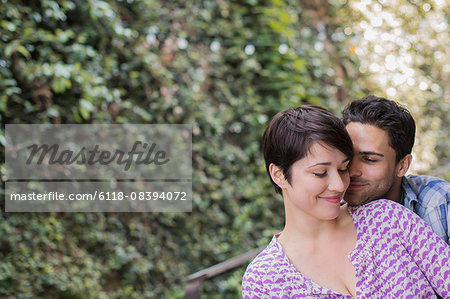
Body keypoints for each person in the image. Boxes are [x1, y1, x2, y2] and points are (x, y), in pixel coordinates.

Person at [242, 104, 450, 298]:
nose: (339, 185)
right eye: (320, 173)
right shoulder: (263, 280)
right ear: (278, 175)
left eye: (343, 169)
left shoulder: (388, 218)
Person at [342, 95, 450, 244]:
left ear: (402, 166)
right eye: (347, 156)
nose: (352, 171)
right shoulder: (325, 206)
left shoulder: (441, 202)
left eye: (370, 159)